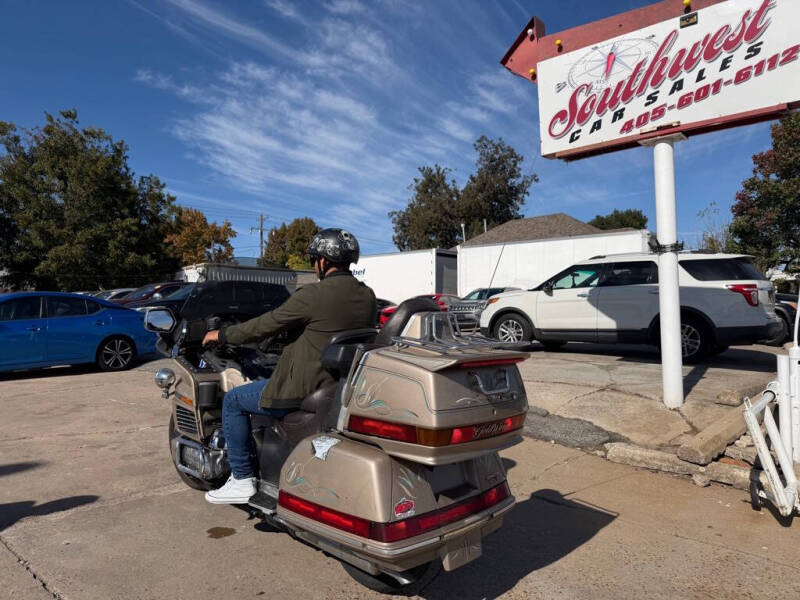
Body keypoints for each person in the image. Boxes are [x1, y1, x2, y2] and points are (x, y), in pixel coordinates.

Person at [201, 228, 376, 504]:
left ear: (323, 261)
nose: (314, 265)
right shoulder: (367, 296)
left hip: (304, 387)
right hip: (337, 384)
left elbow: (267, 324)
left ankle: (242, 478)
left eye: (314, 259)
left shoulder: (314, 295)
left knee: (234, 400)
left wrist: (221, 335)